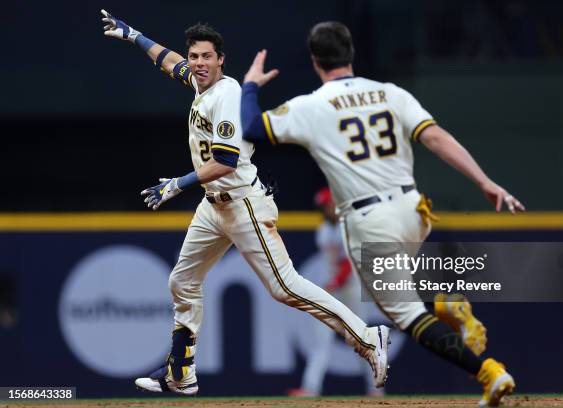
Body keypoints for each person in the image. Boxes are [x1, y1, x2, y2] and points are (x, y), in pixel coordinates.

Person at [100, 12, 390, 396]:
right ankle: (180, 373)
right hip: (212, 206)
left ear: (222, 60)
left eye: (206, 57)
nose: (198, 63)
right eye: (194, 56)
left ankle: (369, 338)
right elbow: (170, 61)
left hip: (242, 203)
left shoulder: (227, 94)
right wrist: (135, 35)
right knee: (182, 281)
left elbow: (225, 161)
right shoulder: (201, 84)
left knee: (285, 287)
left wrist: (177, 184)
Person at [240, 21, 525, 406]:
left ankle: (488, 372)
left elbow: (253, 129)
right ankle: (445, 303)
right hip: (415, 209)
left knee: (406, 316)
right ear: (351, 53)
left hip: (369, 219)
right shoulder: (391, 93)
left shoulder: (311, 105)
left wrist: (251, 85)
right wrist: (485, 182)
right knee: (405, 283)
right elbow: (436, 137)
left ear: (314, 61)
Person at [288, 187, 382, 397]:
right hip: (333, 289)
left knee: (361, 339)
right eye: (321, 206)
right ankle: (310, 388)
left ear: (335, 205)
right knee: (320, 340)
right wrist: (331, 284)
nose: (323, 209)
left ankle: (375, 388)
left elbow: (349, 262)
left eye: (326, 205)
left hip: (350, 288)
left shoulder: (347, 227)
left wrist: (334, 282)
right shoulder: (323, 229)